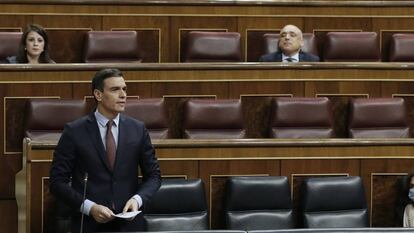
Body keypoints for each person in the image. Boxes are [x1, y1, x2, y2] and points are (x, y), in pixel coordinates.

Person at [49, 68, 161, 232]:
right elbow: (57, 182)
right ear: (98, 95)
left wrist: (137, 200)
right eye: (115, 89)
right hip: (89, 224)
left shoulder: (137, 129)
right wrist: (89, 207)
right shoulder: (74, 131)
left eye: (124, 89)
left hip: (129, 224)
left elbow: (154, 176)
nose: (123, 95)